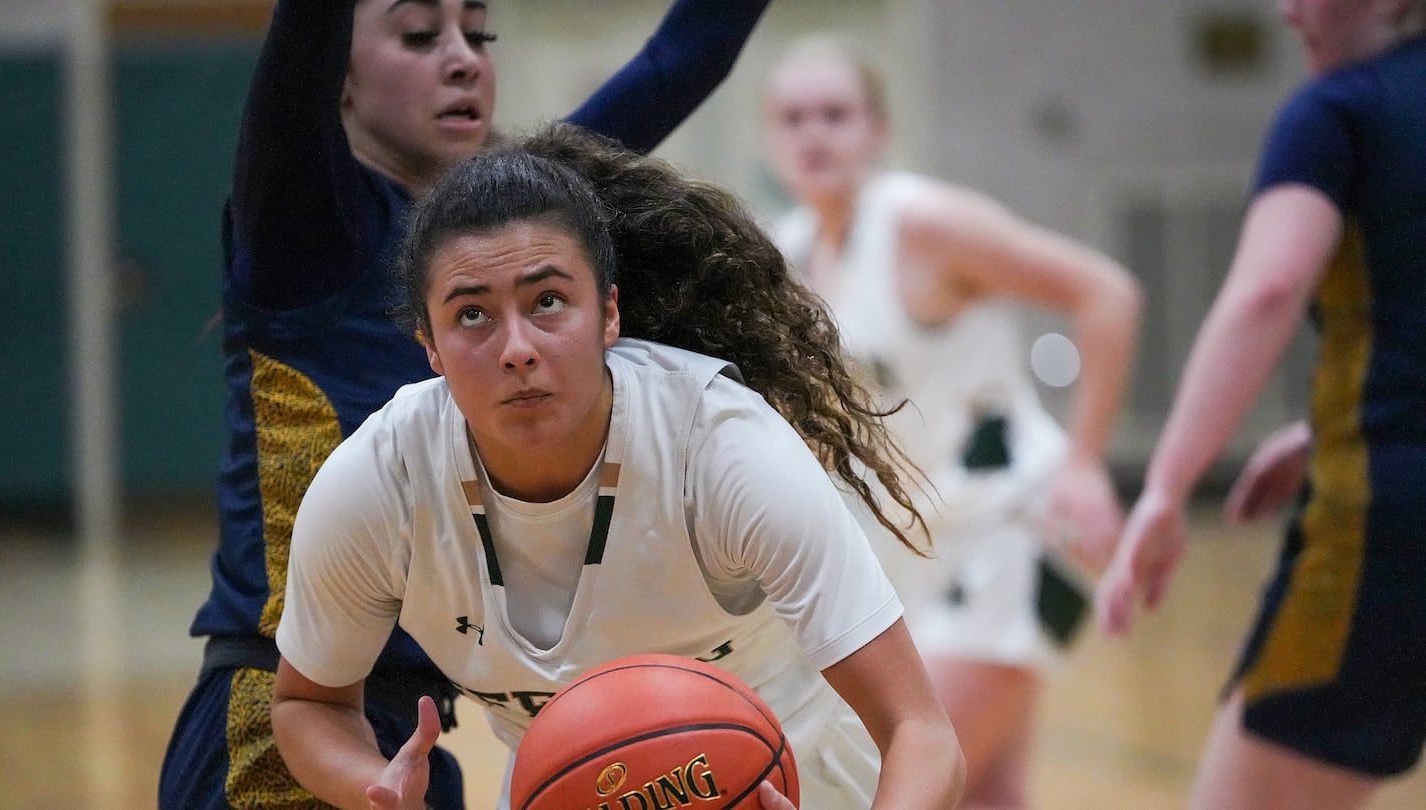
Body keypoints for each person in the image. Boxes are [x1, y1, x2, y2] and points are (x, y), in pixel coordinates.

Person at [158, 2, 773, 808]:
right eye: (420, 35)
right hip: (282, 723)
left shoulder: (518, 224)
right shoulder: (306, 230)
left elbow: (684, 56)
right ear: (337, 77)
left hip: (413, 741)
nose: (463, 59)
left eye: (478, 34)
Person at [268, 124, 966, 810]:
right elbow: (307, 702)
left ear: (607, 314)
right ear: (430, 347)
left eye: (547, 302)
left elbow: (923, 732)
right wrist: (370, 785)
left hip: (802, 782)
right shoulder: (379, 482)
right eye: (473, 316)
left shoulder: (720, 447)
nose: (516, 348)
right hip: (568, 789)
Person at [760, 34, 1141, 809]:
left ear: (877, 129)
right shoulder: (789, 252)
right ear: (771, 138)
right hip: (915, 547)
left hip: (1013, 527)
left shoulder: (924, 224)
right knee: (988, 790)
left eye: (835, 114)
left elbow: (1107, 294)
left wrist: (1086, 462)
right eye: (794, 118)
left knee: (912, 775)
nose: (815, 134)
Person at [1095, 0, 1426, 807]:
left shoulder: (1341, 110)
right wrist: (1326, 425)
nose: (1286, 10)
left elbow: (1267, 289)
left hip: (1391, 523)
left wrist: (1167, 489)